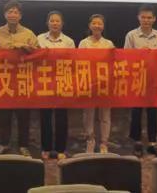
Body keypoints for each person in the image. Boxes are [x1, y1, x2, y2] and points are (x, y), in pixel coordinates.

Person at [0, 1, 38, 156]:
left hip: (22, 80)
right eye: (10, 12)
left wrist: (27, 49)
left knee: (23, 115)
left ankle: (23, 145)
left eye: (16, 12)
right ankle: (4, 143)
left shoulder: (28, 34)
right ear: (5, 14)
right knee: (4, 115)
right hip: (4, 79)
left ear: (20, 15)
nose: (13, 15)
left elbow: (38, 54)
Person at [124, 4, 157, 157]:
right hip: (137, 77)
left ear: (154, 19)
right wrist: (140, 53)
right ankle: (137, 142)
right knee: (136, 111)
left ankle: (152, 143)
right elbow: (126, 56)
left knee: (153, 111)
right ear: (138, 18)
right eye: (143, 17)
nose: (146, 20)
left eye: (149, 17)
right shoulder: (131, 35)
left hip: (154, 78)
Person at [36, 10, 75, 160]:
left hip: (62, 81)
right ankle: (46, 148)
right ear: (47, 23)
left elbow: (73, 62)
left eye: (57, 21)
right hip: (44, 81)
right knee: (45, 116)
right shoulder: (39, 39)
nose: (55, 23)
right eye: (52, 21)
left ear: (62, 24)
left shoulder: (69, 41)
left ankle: (60, 149)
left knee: (61, 117)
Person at [79, 14, 115, 154]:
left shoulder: (109, 44)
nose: (97, 26)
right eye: (94, 23)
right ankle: (90, 139)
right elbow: (78, 62)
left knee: (105, 114)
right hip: (89, 82)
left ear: (103, 26)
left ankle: (104, 142)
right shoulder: (83, 43)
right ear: (90, 25)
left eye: (99, 23)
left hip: (105, 83)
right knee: (88, 113)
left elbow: (114, 62)